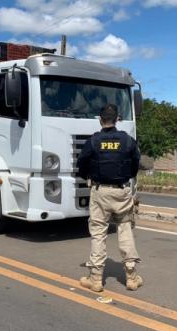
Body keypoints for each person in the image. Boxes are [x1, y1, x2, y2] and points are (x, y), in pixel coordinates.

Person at [76, 104, 142, 292]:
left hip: (100, 191)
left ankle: (95, 279)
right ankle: (131, 277)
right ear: (117, 119)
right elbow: (135, 163)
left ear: (100, 119)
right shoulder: (127, 140)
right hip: (122, 191)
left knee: (98, 233)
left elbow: (81, 163)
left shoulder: (94, 141)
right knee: (125, 230)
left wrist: (88, 176)